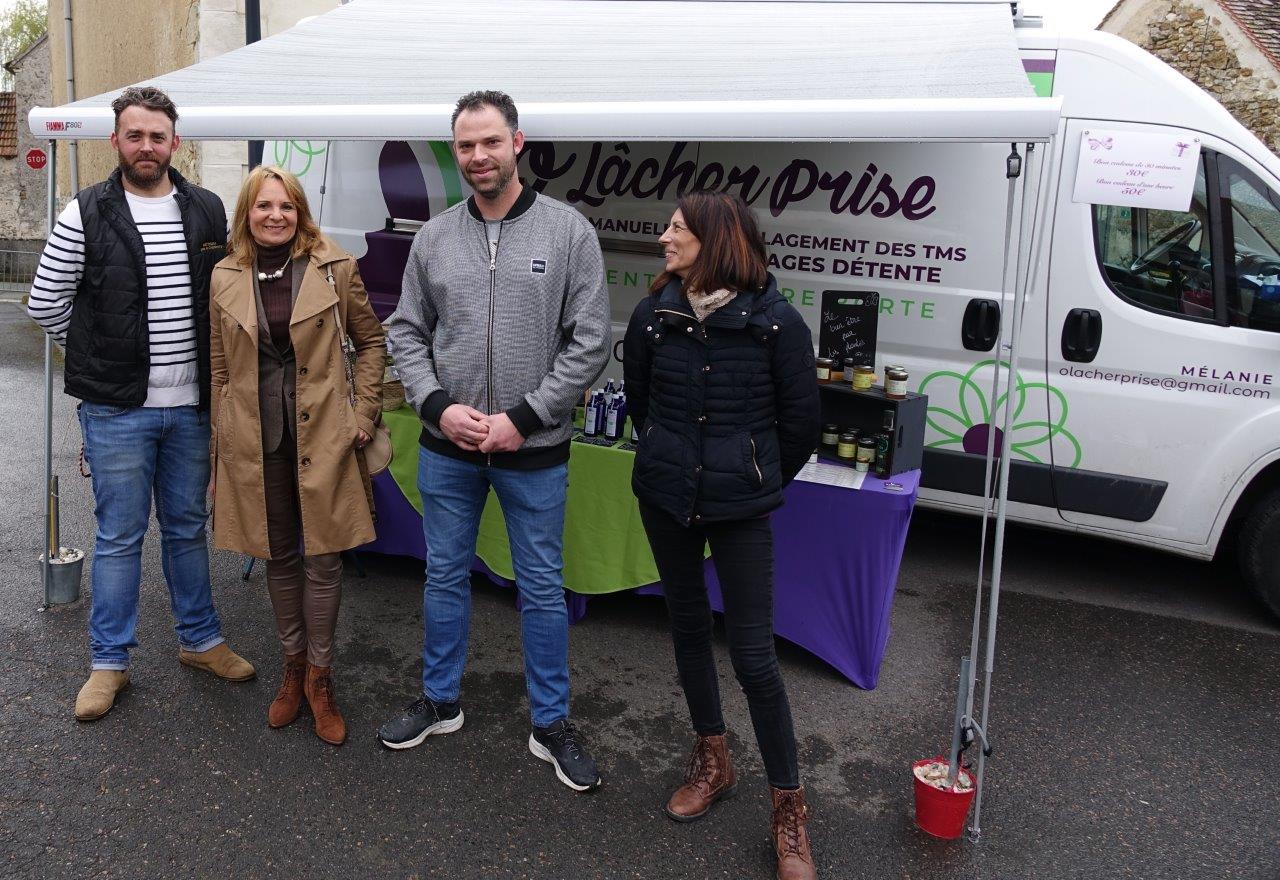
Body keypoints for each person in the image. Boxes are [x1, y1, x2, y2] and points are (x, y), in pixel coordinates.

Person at [382, 90, 610, 791]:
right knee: (444, 576)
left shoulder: (568, 233)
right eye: (464, 145)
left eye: (490, 142)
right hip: (447, 449)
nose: (478, 156)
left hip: (532, 453)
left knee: (541, 588)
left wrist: (526, 417)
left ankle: (551, 725)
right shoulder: (434, 236)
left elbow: (592, 340)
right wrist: (438, 405)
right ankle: (440, 701)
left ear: (518, 142)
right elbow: (404, 332)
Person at [26, 86, 255, 722]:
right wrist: (98, 359)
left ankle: (201, 641)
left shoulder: (207, 210)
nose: (147, 146)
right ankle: (109, 663)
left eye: (158, 136)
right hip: (116, 411)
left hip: (192, 410)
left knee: (186, 528)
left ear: (175, 142)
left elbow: (228, 299)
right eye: (135, 135)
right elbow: (46, 303)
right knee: (120, 535)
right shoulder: (85, 212)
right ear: (116, 142)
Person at [622, 191, 822, 879]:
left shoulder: (775, 324)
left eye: (676, 229)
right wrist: (672, 460)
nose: (663, 238)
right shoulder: (655, 316)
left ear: (715, 239)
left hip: (739, 508)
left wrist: (751, 474)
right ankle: (714, 757)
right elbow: (642, 404)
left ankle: (789, 809)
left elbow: (802, 428)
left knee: (755, 658)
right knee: (684, 629)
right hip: (666, 497)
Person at [208, 166, 386, 746]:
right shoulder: (225, 274)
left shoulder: (334, 267)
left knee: (324, 560)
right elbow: (218, 365)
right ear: (247, 212)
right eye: (263, 206)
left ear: (301, 210)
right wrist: (223, 429)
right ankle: (291, 668)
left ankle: (321, 677)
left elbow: (372, 342)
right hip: (257, 440)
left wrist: (363, 415)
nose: (275, 215)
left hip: (325, 438)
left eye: (285, 205)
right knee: (278, 554)